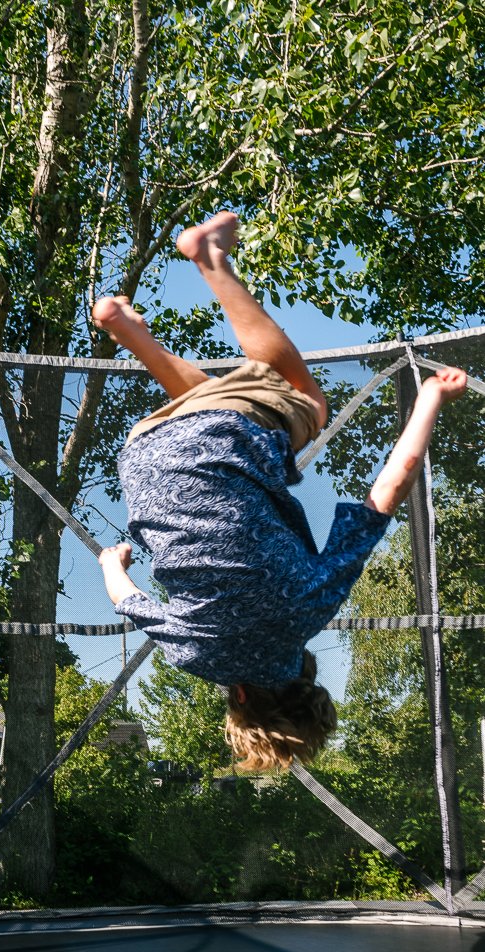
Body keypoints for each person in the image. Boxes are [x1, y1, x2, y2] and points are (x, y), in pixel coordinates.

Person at [93, 211, 468, 771]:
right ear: (241, 697)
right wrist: (111, 559)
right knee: (215, 406)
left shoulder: (312, 607)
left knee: (305, 400)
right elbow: (124, 597)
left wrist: (432, 398)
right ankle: (126, 329)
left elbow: (391, 486)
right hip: (145, 456)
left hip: (223, 440)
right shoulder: (194, 654)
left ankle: (210, 259)